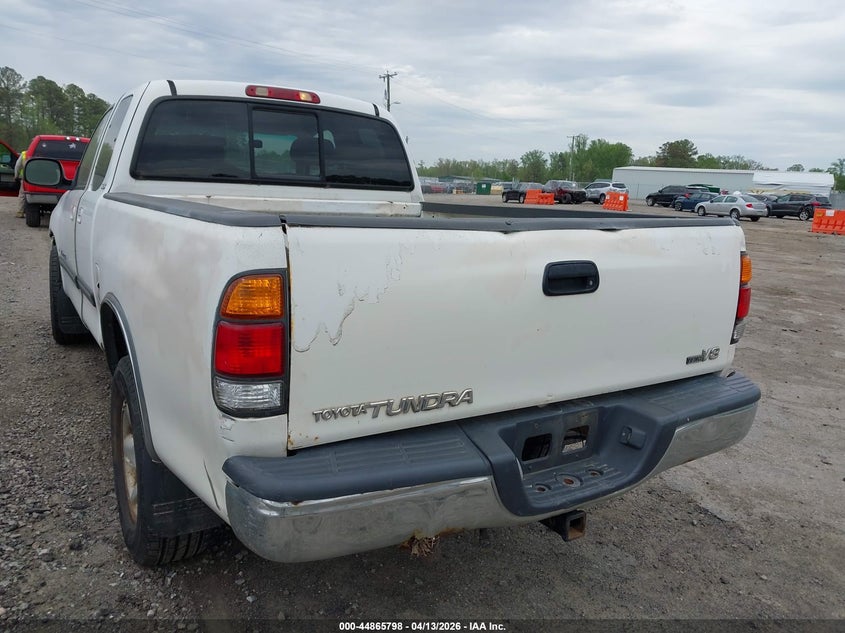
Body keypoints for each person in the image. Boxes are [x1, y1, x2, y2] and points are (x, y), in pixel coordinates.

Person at [14, 150, 26, 218]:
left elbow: (18, 166)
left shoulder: (24, 154)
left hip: (26, 179)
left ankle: (20, 212)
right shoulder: (42, 153)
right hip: (42, 179)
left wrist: (16, 176)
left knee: (22, 195)